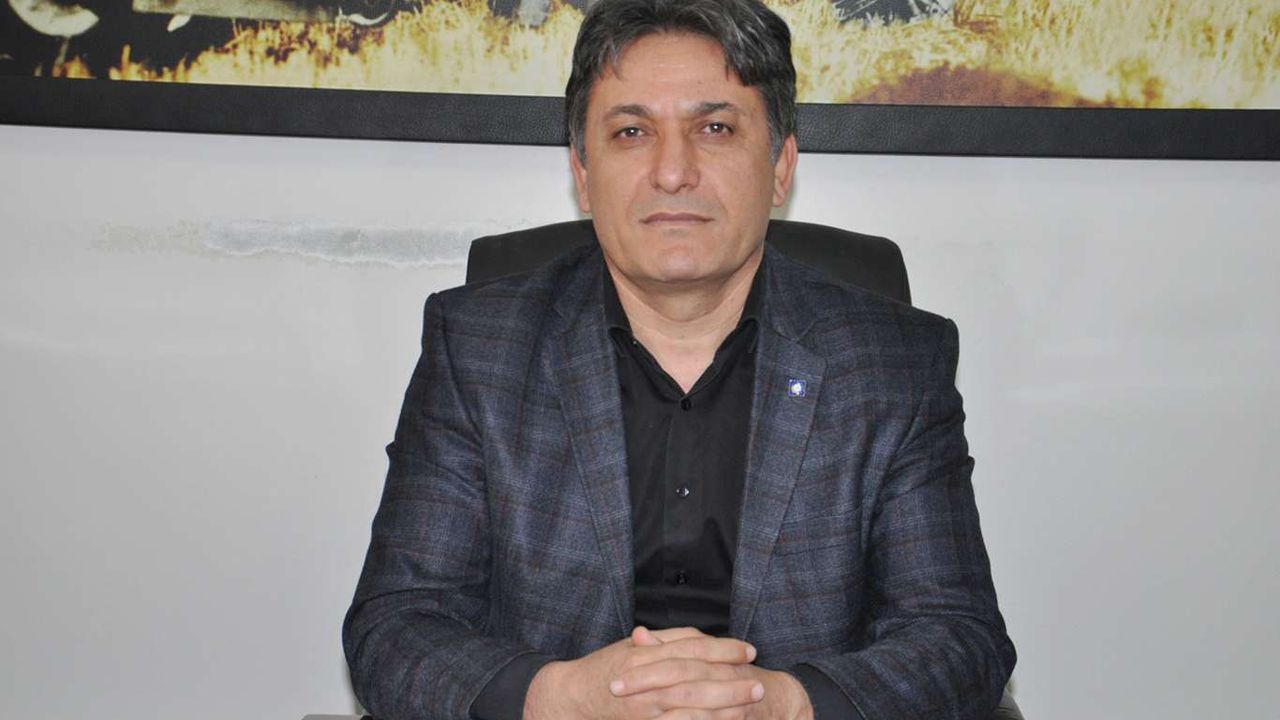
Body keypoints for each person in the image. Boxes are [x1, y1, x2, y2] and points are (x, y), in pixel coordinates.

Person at [343, 1, 1015, 718]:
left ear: (780, 165)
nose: (672, 172)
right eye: (631, 132)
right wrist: (563, 697)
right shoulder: (479, 348)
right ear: (582, 171)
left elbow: (959, 637)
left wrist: (780, 704)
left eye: (715, 128)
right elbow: (396, 626)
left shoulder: (893, 363)